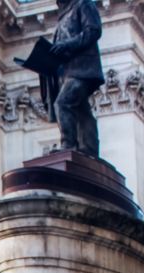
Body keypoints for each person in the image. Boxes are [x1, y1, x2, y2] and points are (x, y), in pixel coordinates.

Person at [47, 0, 105, 157]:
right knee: (81, 110)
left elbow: (93, 30)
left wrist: (67, 45)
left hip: (83, 69)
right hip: (68, 71)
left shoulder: (83, 4)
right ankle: (89, 149)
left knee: (63, 103)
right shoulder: (63, 14)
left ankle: (68, 144)